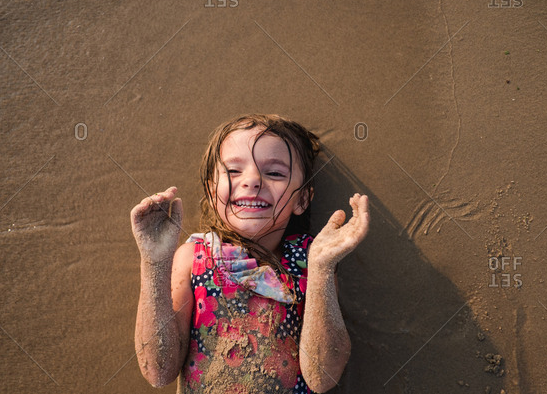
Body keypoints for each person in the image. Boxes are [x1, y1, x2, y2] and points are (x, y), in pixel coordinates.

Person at [132, 114, 369, 393]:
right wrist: (154, 262)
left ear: (302, 199)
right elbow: (158, 371)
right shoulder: (192, 257)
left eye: (275, 173)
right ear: (211, 192)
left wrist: (322, 268)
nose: (253, 180)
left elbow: (323, 377)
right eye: (233, 171)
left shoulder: (312, 259)